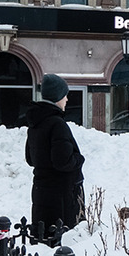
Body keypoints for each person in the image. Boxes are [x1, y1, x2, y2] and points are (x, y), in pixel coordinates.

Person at [24, 74, 85, 238]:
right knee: (62, 244)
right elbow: (63, 161)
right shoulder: (57, 124)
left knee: (44, 240)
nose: (66, 100)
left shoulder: (36, 124)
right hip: (61, 197)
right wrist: (79, 159)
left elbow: (30, 158)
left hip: (41, 192)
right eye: (65, 95)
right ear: (57, 97)